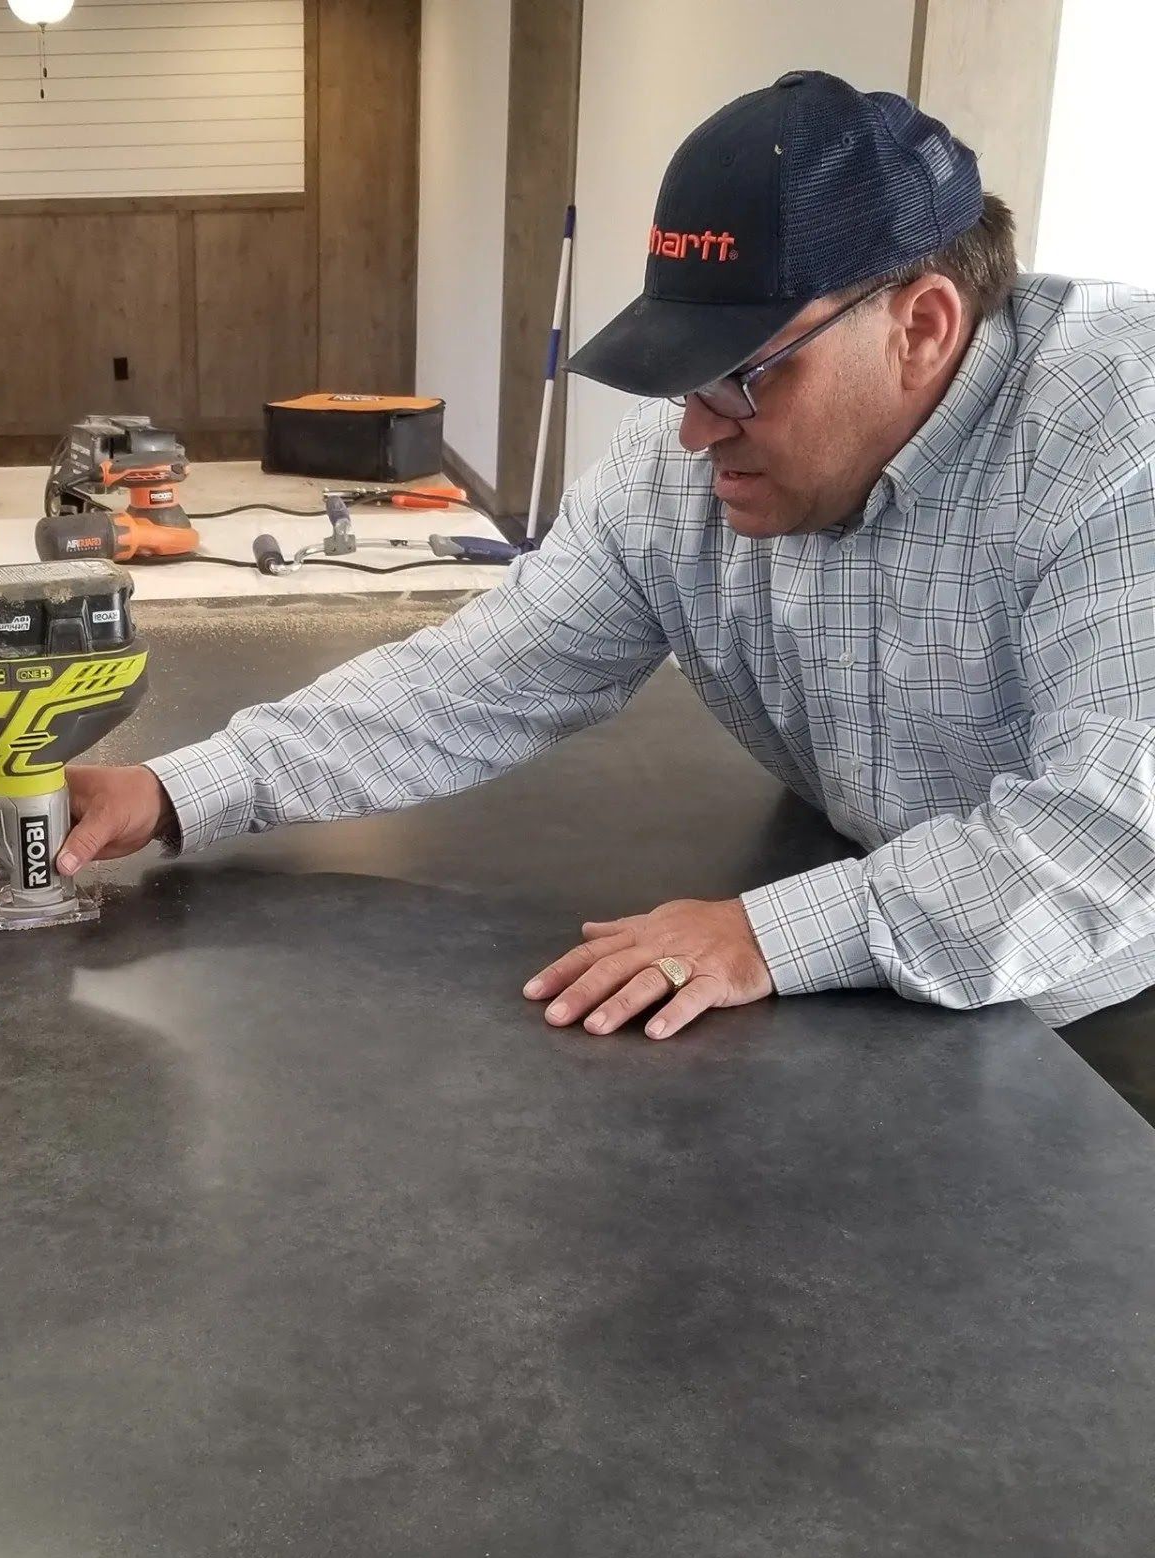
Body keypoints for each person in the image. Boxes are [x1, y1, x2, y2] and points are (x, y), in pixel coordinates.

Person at [56, 71, 1155, 1112]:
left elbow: (1107, 838)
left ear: (921, 328)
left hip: (1109, 987)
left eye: (743, 376)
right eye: (684, 377)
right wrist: (176, 789)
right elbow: (481, 678)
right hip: (875, 942)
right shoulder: (678, 475)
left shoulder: (1118, 446)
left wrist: (764, 935)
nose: (695, 432)